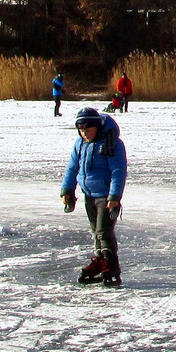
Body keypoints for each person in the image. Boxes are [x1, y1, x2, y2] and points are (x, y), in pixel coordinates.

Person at [61, 106, 127, 287]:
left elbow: (118, 171)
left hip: (106, 196)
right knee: (95, 231)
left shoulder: (111, 143)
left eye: (88, 130)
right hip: (88, 194)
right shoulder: (80, 144)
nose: (85, 134)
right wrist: (67, 190)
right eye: (81, 131)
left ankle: (111, 266)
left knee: (104, 231)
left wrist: (114, 196)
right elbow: (72, 168)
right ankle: (100, 261)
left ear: (97, 127)